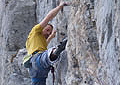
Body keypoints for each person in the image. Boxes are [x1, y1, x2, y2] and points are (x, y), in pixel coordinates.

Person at [25, 1, 70, 85]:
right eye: (47, 30)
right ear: (42, 28)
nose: (48, 33)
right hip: (38, 60)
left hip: (35, 71)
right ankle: (56, 50)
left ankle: (55, 52)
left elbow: (45, 43)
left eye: (50, 32)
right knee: (47, 55)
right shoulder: (35, 30)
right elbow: (49, 17)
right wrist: (60, 6)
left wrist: (51, 36)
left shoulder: (36, 41)